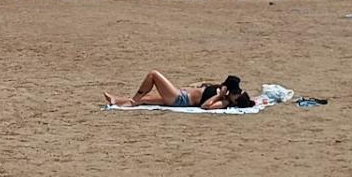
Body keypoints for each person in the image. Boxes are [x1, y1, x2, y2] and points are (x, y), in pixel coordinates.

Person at [104, 72, 255, 110]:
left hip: (179, 99)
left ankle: (131, 101)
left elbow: (205, 106)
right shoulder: (222, 92)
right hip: (180, 94)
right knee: (145, 99)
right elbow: (203, 86)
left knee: (153, 74)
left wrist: (219, 96)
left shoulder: (223, 102)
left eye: (236, 93)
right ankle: (116, 101)